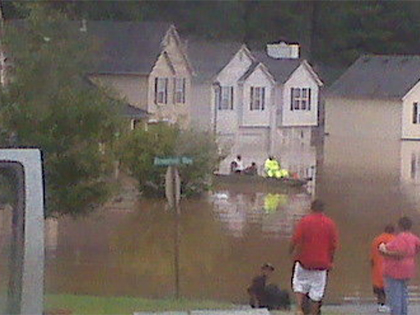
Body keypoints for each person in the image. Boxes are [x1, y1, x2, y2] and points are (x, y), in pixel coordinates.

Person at [289, 200, 339, 315]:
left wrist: (290, 253)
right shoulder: (330, 224)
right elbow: (333, 245)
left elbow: (295, 239)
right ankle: (313, 313)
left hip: (304, 261)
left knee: (299, 285)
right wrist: (331, 261)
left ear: (311, 208)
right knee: (317, 293)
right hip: (322, 264)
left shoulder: (304, 221)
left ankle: (299, 309)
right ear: (323, 209)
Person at [379, 217, 420, 315]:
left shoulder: (400, 238)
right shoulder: (414, 238)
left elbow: (400, 253)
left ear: (400, 226)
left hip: (395, 271)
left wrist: (384, 252)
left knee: (395, 296)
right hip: (408, 269)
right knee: (403, 295)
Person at [371, 224, 396, 313]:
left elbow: (372, 257)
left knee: (379, 289)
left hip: (377, 268)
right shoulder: (394, 239)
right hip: (389, 268)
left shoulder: (376, 240)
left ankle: (381, 305)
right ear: (393, 231)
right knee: (390, 288)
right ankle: (390, 305)